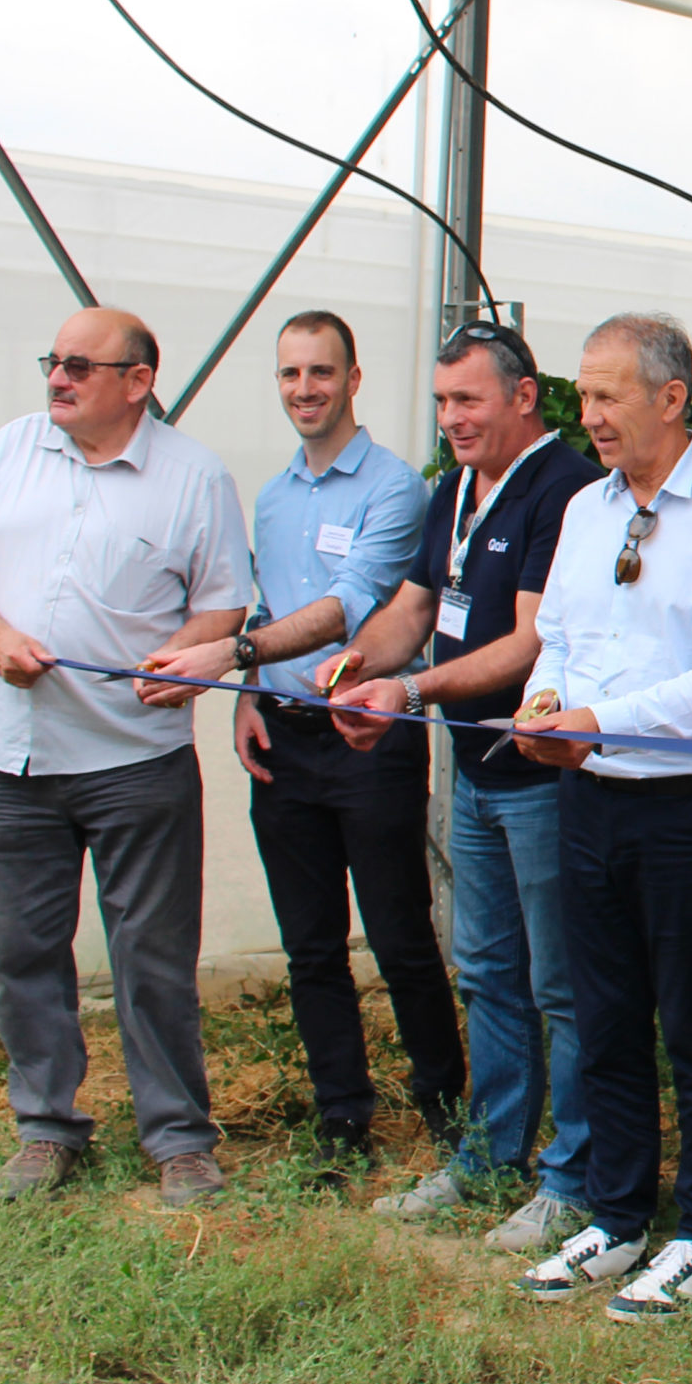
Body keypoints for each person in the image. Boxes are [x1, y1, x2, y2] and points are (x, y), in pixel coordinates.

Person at [0, 306, 252, 1209]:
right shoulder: (12, 449)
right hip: (12, 757)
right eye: (53, 362)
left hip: (133, 761)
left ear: (137, 381)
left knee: (152, 959)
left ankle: (180, 1141)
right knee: (21, 951)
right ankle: (46, 1127)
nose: (56, 379)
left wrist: (187, 659)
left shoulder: (194, 478)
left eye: (79, 365)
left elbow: (222, 609)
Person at [508, 314, 692, 1321]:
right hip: (584, 793)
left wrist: (598, 718)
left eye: (607, 395)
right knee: (605, 1015)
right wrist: (546, 706)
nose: (590, 416)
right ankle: (617, 1213)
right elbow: (560, 638)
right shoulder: (586, 507)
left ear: (672, 396)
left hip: (680, 807)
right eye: (582, 396)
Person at [142, 311, 457, 1175]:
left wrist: (239, 654)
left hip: (367, 739)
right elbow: (272, 611)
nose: (305, 390)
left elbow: (351, 606)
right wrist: (248, 692)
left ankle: (446, 1108)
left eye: (321, 373)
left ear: (355, 380)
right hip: (284, 745)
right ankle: (342, 1118)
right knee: (311, 946)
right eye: (290, 375)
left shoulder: (395, 489)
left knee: (399, 937)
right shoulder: (275, 496)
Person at [330, 319, 601, 1250]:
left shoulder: (562, 490)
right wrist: (356, 664)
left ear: (524, 397)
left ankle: (574, 1176)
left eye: (468, 400)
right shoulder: (455, 489)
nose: (451, 417)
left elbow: (529, 643)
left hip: (537, 778)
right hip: (471, 771)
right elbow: (415, 604)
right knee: (487, 971)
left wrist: (405, 688)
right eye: (442, 401)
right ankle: (490, 1158)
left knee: (559, 982)